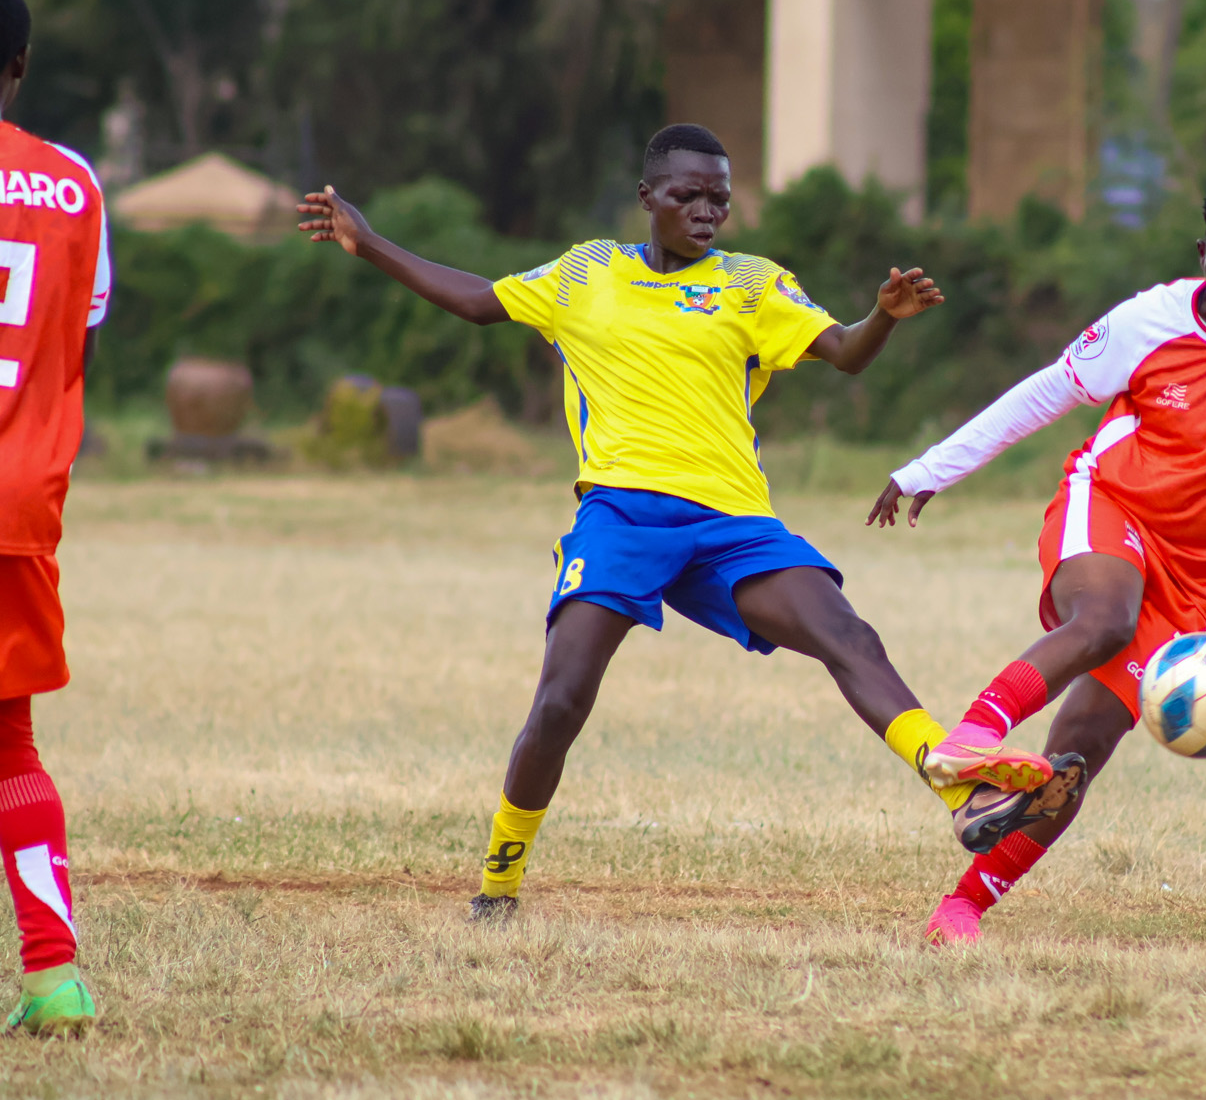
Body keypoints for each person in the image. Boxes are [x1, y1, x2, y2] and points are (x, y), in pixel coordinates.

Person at [298, 123, 978, 919]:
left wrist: (884, 315)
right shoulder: (587, 271)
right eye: (687, 195)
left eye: (719, 199)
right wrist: (370, 241)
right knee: (560, 701)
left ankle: (960, 785)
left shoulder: (754, 283)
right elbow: (479, 301)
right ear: (647, 197)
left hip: (733, 521)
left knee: (847, 633)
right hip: (621, 513)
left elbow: (845, 350)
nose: (705, 212)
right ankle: (500, 883)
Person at [868, 173, 1206, 945]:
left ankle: (964, 907)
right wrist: (933, 466)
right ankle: (968, 741)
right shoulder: (1148, 320)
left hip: (1193, 570)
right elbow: (1045, 394)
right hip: (1109, 503)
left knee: (1076, 757)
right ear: (1201, 253)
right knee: (1104, 618)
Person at [0, 0, 113, 1033]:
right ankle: (53, 976)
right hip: (20, 507)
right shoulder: (73, 184)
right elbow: (86, 322)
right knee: (11, 749)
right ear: (21, 65)